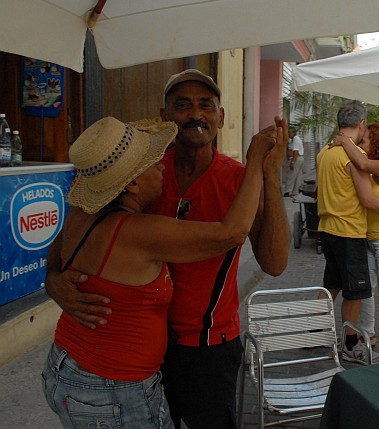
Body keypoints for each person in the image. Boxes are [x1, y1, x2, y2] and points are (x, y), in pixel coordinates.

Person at [45, 69, 290, 429]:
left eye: (206, 105)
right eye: (182, 105)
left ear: (221, 117)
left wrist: (268, 174)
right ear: (164, 116)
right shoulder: (144, 173)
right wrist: (53, 280)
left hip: (206, 347)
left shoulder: (241, 179)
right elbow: (66, 237)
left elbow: (274, 263)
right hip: (141, 356)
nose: (195, 114)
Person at [317, 100, 379, 365]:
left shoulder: (325, 151)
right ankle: (351, 345)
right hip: (349, 230)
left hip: (327, 228)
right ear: (361, 124)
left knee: (334, 284)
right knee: (355, 292)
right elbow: (367, 199)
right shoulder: (352, 154)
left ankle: (312, 329)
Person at [283, 126, 304, 197]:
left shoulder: (295, 139)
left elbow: (295, 151)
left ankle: (288, 191)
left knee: (291, 175)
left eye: (289, 132)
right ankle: (295, 191)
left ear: (294, 133)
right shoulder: (291, 140)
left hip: (296, 159)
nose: (288, 133)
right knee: (297, 176)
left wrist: (293, 162)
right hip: (298, 159)